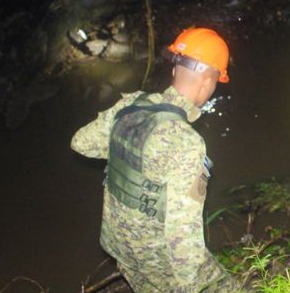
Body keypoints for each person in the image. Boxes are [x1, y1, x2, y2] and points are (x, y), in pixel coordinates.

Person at [71, 27, 242, 292]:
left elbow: (81, 142)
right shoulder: (186, 143)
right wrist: (191, 284)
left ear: (175, 70)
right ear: (209, 81)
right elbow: (181, 233)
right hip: (155, 255)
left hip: (119, 245)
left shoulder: (131, 105)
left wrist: (133, 151)